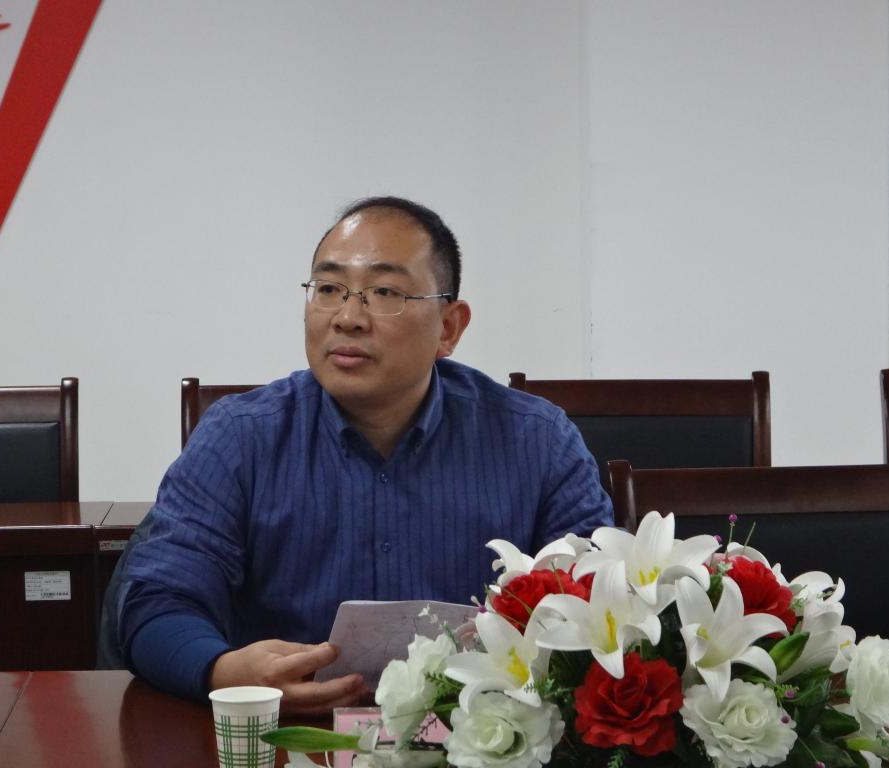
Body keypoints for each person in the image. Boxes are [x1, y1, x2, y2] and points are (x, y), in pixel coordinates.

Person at [104, 196, 613, 714]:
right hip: (282, 734)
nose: (348, 318)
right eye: (328, 289)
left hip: (480, 734)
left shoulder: (536, 442)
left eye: (385, 292)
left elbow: (601, 606)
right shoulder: (240, 438)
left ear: (449, 327)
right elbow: (155, 603)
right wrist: (226, 673)